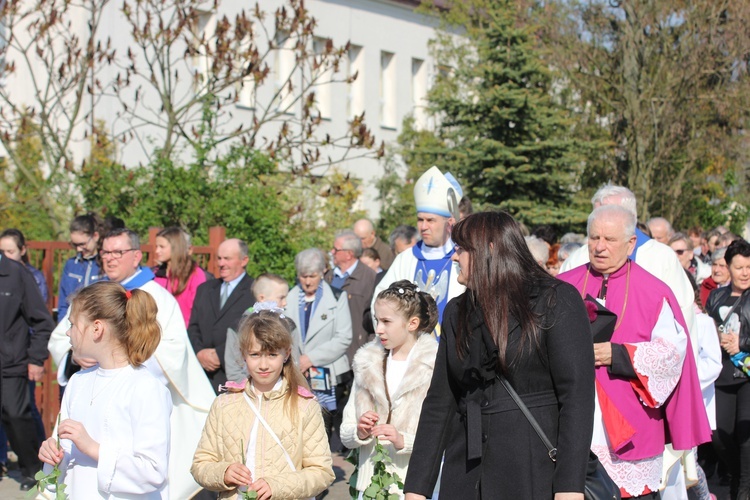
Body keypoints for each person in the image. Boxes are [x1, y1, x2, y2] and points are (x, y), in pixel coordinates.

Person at [404, 212, 596, 500]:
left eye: (461, 249)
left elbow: (577, 398)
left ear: (489, 250)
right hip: (466, 476)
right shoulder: (458, 311)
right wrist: (417, 488)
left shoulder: (554, 299)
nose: (455, 257)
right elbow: (440, 402)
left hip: (532, 473)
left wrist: (569, 487)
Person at [48, 228, 216, 499]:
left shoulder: (157, 298)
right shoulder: (93, 298)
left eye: (118, 252)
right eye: (105, 252)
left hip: (128, 417)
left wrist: (116, 360)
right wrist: (75, 357)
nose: (110, 259)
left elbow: (172, 354)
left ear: (137, 256)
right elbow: (63, 336)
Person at [558, 205, 711, 499]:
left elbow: (670, 355)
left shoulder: (652, 291)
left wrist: (616, 354)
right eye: (594, 238)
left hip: (630, 423)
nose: (599, 247)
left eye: (610, 239)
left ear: (630, 244)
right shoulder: (562, 286)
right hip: (570, 420)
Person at [38, 282, 172, 498]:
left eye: (72, 324)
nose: (67, 331)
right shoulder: (77, 382)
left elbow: (153, 471)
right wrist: (53, 456)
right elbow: (64, 460)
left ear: (97, 328)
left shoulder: (145, 387)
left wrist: (93, 448)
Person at [191, 307, 335, 499]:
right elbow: (201, 463)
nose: (264, 365)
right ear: (243, 354)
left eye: (272, 355)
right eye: (255, 355)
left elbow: (321, 472)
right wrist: (223, 472)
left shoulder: (304, 406)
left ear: (286, 354)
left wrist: (277, 486)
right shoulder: (224, 404)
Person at [341, 280, 438, 499]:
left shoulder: (434, 367)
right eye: (377, 320)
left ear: (412, 323)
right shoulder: (366, 363)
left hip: (413, 485)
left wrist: (403, 440)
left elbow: (443, 434)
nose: (378, 329)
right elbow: (346, 430)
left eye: (386, 321)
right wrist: (360, 431)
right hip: (369, 487)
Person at [560, 185, 696, 334]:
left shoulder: (661, 257)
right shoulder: (577, 259)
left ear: (631, 217)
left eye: (610, 212)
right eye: (596, 213)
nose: (599, 247)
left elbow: (679, 326)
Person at [375, 166, 466, 328]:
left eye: (430, 220)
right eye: (420, 220)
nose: (423, 226)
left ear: (449, 222)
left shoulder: (463, 257)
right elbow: (381, 302)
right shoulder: (406, 259)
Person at [284, 248, 352, 449]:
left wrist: (311, 358)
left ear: (322, 272)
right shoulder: (288, 297)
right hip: (296, 369)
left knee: (322, 424)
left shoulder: (338, 297)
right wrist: (298, 360)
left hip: (326, 371)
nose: (307, 281)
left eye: (312, 276)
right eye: (303, 276)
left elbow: (344, 336)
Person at [0, 242, 54, 491]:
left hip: (11, 361)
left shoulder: (16, 274)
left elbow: (42, 321)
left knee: (15, 414)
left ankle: (35, 471)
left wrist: (35, 358)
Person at [705, 239, 750, 499]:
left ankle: (743, 489)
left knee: (746, 437)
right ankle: (734, 475)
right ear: (728, 268)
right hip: (720, 374)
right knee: (719, 434)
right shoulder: (717, 296)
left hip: (746, 376)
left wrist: (741, 342)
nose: (745, 273)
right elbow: (704, 330)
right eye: (740, 267)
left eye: (748, 267)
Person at [188, 238, 255, 391]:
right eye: (219, 258)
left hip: (234, 375)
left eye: (227, 258)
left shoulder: (255, 291)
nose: (221, 263)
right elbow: (193, 327)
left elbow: (252, 332)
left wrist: (220, 353)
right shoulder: (205, 289)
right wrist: (200, 353)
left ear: (244, 260)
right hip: (202, 375)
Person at [225, 273, 290, 382]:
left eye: (272, 354)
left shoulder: (288, 326)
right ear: (262, 298)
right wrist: (252, 390)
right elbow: (233, 368)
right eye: (281, 297)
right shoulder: (238, 328)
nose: (285, 303)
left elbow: (293, 365)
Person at [326, 230, 377, 364]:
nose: (332, 252)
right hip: (329, 352)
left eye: (336, 249)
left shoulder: (369, 278)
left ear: (349, 254)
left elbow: (374, 318)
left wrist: (370, 350)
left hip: (356, 354)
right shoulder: (328, 277)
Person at [153, 227, 209, 327]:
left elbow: (198, 312)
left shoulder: (195, 274)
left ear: (177, 247)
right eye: (156, 246)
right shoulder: (155, 273)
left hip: (183, 333)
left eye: (162, 246)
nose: (157, 250)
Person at [58, 213, 103, 321]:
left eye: (82, 244)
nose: (78, 249)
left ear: (95, 236)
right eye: (75, 245)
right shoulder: (71, 265)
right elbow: (63, 304)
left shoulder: (106, 264)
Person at [0, 228, 48, 301]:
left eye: (10, 252)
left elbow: (39, 306)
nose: (5, 256)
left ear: (22, 250)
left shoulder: (34, 276)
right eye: (2, 252)